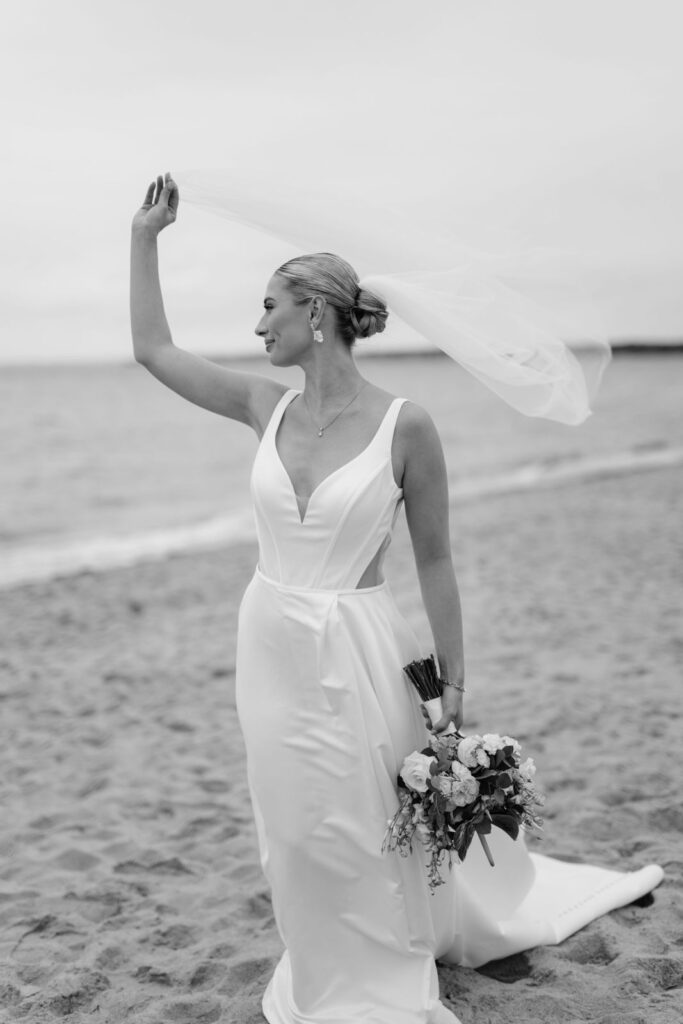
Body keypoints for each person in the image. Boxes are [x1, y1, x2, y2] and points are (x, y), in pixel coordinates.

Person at [130, 173, 663, 1024]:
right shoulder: (263, 406)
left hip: (357, 644)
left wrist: (453, 684)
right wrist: (145, 238)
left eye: (269, 306)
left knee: (357, 814)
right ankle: (320, 957)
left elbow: (438, 558)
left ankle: (374, 968)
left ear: (316, 315)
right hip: (268, 638)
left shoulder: (404, 425)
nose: (257, 324)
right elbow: (154, 353)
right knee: (292, 823)